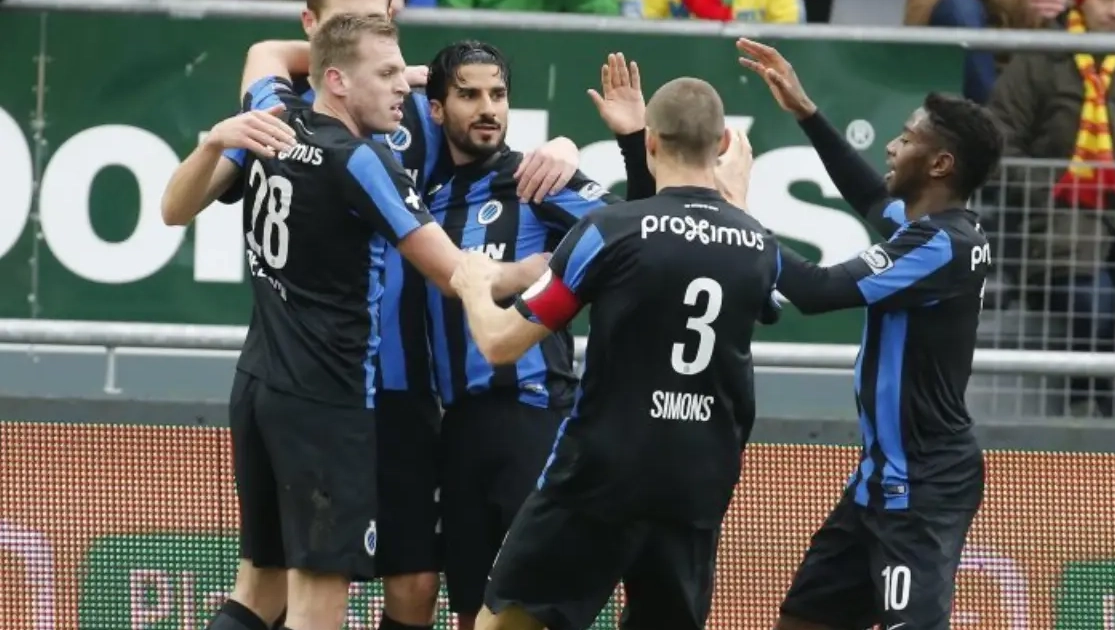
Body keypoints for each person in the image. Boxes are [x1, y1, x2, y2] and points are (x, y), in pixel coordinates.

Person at [159, 3, 580, 630]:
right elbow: (451, 271)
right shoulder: (361, 158)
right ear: (335, 74)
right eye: (386, 74)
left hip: (265, 383)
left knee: (266, 586)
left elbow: (172, 209)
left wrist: (217, 139)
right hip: (332, 397)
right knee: (317, 599)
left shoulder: (276, 114)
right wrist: (528, 274)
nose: (402, 86)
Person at [449, 76, 780, 630]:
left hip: (600, 475)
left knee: (504, 622)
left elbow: (500, 342)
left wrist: (474, 285)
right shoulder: (759, 244)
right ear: (724, 144)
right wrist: (737, 202)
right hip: (696, 478)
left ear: (650, 142)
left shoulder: (607, 231)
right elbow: (761, 291)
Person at [735, 38, 1002, 630]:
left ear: (940, 165)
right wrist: (807, 112)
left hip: (924, 489)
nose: (891, 145)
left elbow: (816, 290)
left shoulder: (941, 245)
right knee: (803, 622)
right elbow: (871, 197)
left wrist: (731, 219)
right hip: (877, 485)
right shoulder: (931, 228)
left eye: (906, 138)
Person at [418, 43, 654, 630]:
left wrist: (631, 140)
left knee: (533, 611)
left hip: (534, 419)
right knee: (472, 613)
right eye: (469, 95)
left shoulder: (536, 180)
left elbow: (644, 235)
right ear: (437, 110)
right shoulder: (425, 199)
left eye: (497, 94)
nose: (488, 108)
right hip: (457, 429)